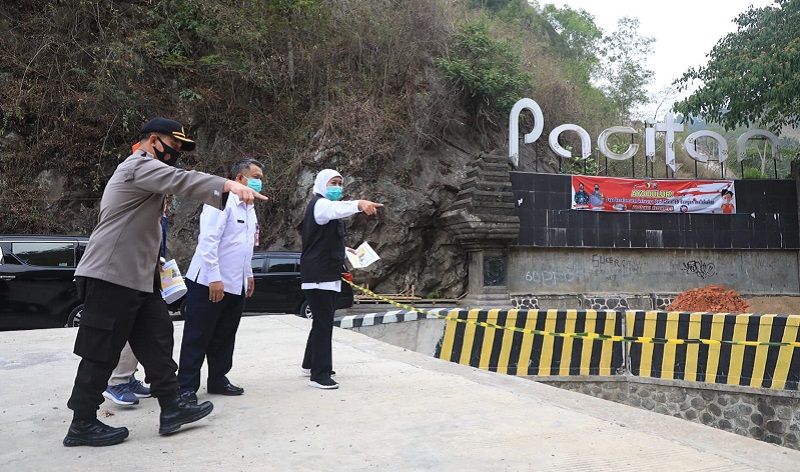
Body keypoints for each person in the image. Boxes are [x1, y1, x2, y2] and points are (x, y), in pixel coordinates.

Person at [63, 117, 268, 448]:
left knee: (158, 339)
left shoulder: (149, 174)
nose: (176, 153)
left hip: (139, 279)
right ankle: (82, 421)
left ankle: (171, 409)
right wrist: (229, 185)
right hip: (110, 275)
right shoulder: (137, 166)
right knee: (102, 350)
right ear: (153, 141)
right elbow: (181, 180)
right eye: (173, 146)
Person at [177, 158, 264, 403]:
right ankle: (186, 387)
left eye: (260, 179)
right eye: (255, 176)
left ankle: (218, 378)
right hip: (208, 282)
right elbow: (208, 241)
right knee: (198, 335)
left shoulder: (249, 207)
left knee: (225, 334)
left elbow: (245, 245)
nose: (258, 182)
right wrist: (214, 278)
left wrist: (248, 274)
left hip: (236, 283)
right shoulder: (221, 201)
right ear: (239, 178)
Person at [300, 169, 383, 389]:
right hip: (320, 275)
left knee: (321, 320)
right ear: (321, 184)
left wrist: (346, 249)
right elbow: (337, 209)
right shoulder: (321, 205)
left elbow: (323, 238)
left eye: (339, 183)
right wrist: (359, 204)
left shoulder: (326, 209)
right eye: (332, 183)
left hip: (326, 272)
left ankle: (310, 364)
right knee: (324, 323)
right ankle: (320, 375)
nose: (337, 186)